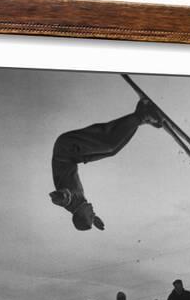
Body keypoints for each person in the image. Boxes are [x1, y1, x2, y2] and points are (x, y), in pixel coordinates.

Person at [50, 98, 163, 231]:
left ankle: (142, 115)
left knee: (108, 142)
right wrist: (93, 218)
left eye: (90, 215)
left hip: (66, 148)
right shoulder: (78, 205)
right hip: (74, 156)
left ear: (80, 213)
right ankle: (140, 116)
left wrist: (60, 197)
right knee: (112, 150)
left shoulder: (70, 202)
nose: (93, 211)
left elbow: (59, 198)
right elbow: (84, 211)